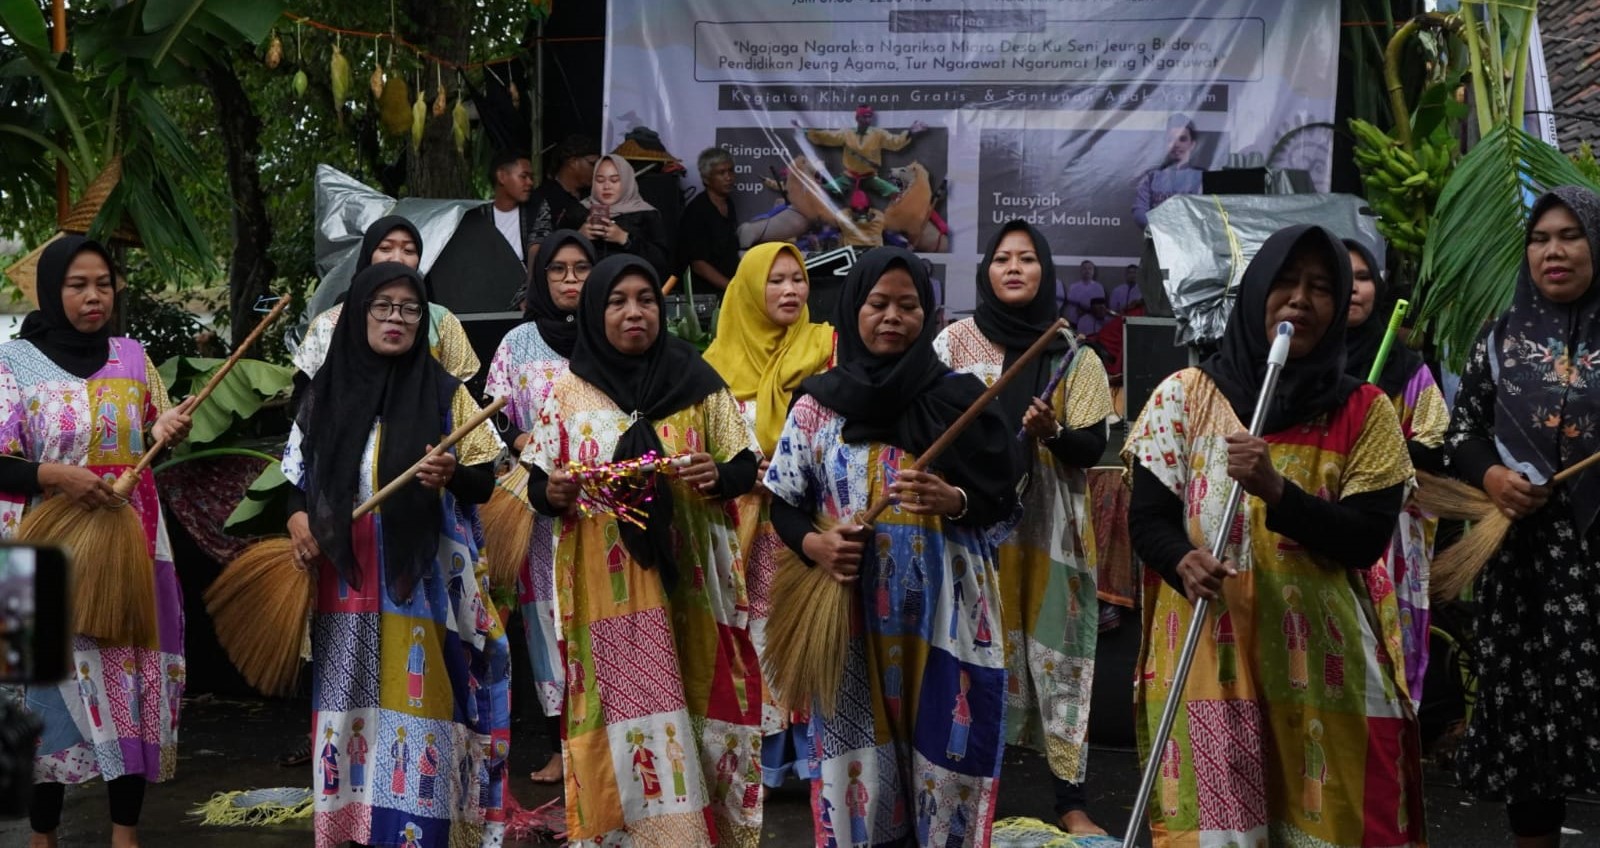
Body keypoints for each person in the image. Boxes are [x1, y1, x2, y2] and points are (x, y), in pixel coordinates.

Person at [1125, 224, 1425, 846]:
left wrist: (1277, 491)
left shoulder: (1366, 412)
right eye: (1285, 282)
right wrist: (1182, 560)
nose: (1300, 300)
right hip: (1209, 657)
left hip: (1323, 665)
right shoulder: (1184, 396)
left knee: (1329, 824)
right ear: (1257, 291)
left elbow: (1365, 539)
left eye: (1320, 288)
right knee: (1220, 833)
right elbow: (1148, 519)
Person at [764, 247, 1024, 847]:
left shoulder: (961, 400)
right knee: (861, 782)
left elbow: (1004, 498)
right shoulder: (817, 406)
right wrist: (816, 545)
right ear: (853, 308)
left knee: (947, 774)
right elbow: (783, 502)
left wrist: (954, 499)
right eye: (878, 303)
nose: (892, 317)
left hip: (947, 625)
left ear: (927, 315)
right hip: (848, 624)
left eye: (908, 306)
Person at [522, 255, 764, 845]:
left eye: (646, 300)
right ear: (594, 311)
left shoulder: (697, 380)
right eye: (617, 301)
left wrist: (718, 475)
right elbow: (537, 484)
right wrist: (554, 492)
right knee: (620, 716)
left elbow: (744, 461)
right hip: (608, 597)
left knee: (700, 703)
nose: (635, 312)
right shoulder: (568, 393)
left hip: (692, 587)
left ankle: (699, 834)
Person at [285, 262, 510, 848]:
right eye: (382, 306)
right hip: (344, 584)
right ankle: (350, 831)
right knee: (348, 710)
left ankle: (418, 832)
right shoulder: (325, 393)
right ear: (359, 314)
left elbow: (486, 481)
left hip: (425, 582)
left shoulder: (445, 392)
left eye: (410, 309)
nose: (396, 319)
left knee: (421, 710)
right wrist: (298, 518)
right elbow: (295, 479)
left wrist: (452, 472)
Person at [4, 237, 194, 848]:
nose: (94, 297)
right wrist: (53, 475)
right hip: (46, 552)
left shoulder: (132, 356)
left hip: (129, 550)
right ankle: (42, 835)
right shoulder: (13, 363)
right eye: (78, 284)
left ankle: (124, 834)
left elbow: (152, 429)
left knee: (128, 684)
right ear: (51, 290)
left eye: (104, 284)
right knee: (43, 692)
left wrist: (165, 426)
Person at [933, 221, 1114, 835]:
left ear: (1045, 272)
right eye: (1003, 258)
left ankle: (1071, 801)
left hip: (1048, 535)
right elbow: (929, 425)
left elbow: (1091, 446)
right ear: (986, 270)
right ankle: (970, 796)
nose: (1014, 268)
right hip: (968, 529)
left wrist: (1052, 433)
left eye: (1027, 258)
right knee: (972, 655)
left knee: (1059, 660)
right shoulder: (953, 345)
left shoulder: (1072, 354)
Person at [1444, 186, 1600, 847]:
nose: (1552, 252)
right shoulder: (1500, 339)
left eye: (1570, 236)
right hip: (1521, 565)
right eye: (1539, 239)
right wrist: (1493, 477)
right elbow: (1462, 433)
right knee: (1528, 727)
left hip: (1594, 557)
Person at [701, 242, 836, 786]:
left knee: (802, 624)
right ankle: (758, 763)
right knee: (750, 627)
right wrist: (738, 471)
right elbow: (700, 443)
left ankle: (811, 758)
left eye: (797, 279)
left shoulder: (826, 349)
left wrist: (791, 469)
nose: (789, 290)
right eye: (775, 280)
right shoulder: (714, 367)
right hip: (740, 527)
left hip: (806, 523)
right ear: (749, 289)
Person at [483, 229, 596, 786]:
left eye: (581, 268)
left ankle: (602, 749)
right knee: (547, 624)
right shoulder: (518, 343)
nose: (570, 279)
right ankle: (561, 748)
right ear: (541, 277)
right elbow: (493, 413)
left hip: (605, 507)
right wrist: (520, 440)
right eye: (558, 269)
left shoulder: (609, 333)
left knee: (604, 617)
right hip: (538, 509)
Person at [1344, 238, 1447, 706]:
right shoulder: (1301, 365)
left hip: (1389, 538)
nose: (1353, 289)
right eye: (1342, 278)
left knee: (1384, 668)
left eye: (1363, 278)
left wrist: (1376, 455)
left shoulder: (1407, 370)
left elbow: (1435, 439)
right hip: (1313, 528)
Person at [581, 154, 672, 280]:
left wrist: (625, 239)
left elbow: (661, 261)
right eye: (600, 180)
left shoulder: (646, 214)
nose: (606, 186)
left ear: (627, 181)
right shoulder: (580, 211)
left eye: (614, 180)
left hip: (631, 285)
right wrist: (579, 237)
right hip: (589, 285)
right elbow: (559, 256)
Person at [676, 147, 742, 293]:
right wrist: (733, 289)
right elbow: (698, 264)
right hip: (704, 294)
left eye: (731, 171)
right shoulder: (697, 211)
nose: (728, 177)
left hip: (727, 289)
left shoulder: (728, 204)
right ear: (706, 178)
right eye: (721, 173)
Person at [1132, 115, 1205, 229]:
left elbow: (1211, 213)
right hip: (1158, 237)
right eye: (1171, 139)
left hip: (1191, 238)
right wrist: (1161, 228)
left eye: (1182, 139)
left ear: (1192, 144)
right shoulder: (1151, 177)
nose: (1176, 144)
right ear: (1165, 143)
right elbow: (1139, 212)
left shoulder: (1203, 177)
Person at [527, 134, 599, 247]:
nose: (597, 170)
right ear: (573, 162)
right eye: (592, 164)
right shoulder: (543, 198)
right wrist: (576, 237)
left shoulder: (594, 195)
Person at [483, 149, 536, 261]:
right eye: (523, 176)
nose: (530, 182)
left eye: (531, 177)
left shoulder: (535, 210)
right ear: (502, 176)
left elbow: (538, 244)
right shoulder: (479, 216)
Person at [1062, 261, 1104, 325]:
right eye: (1084, 268)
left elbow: (1100, 307)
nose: (1087, 271)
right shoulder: (1073, 287)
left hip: (1093, 322)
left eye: (1089, 268)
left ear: (1093, 271)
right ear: (1081, 271)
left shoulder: (1099, 288)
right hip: (1075, 322)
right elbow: (1069, 305)